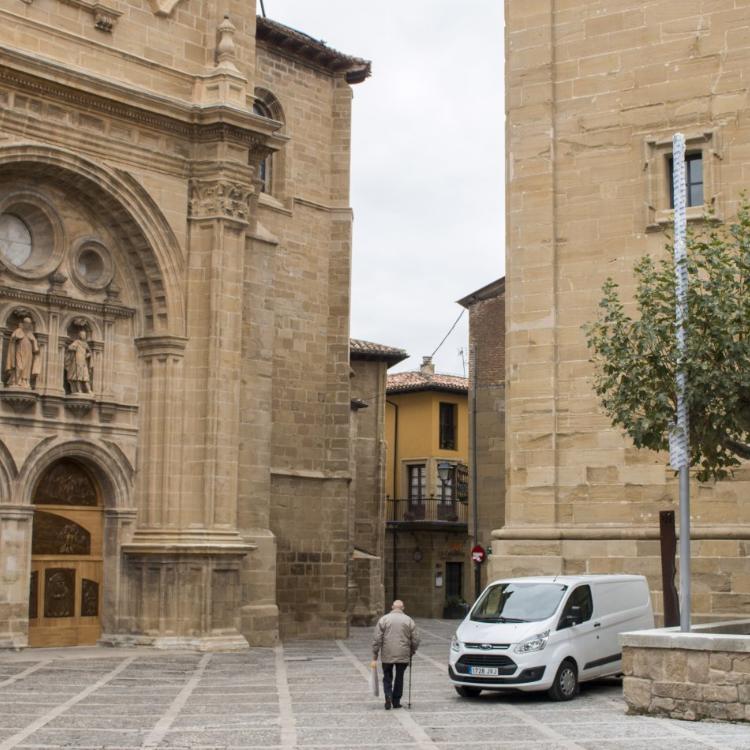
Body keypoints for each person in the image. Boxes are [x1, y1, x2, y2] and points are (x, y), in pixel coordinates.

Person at [371, 600, 420, 710]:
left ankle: (388, 695)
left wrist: (375, 653)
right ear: (403, 608)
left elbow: (377, 638)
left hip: (387, 654)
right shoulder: (409, 620)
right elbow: (416, 639)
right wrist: (412, 650)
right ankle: (396, 701)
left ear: (392, 607)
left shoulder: (384, 619)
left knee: (387, 676)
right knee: (399, 677)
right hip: (403, 654)